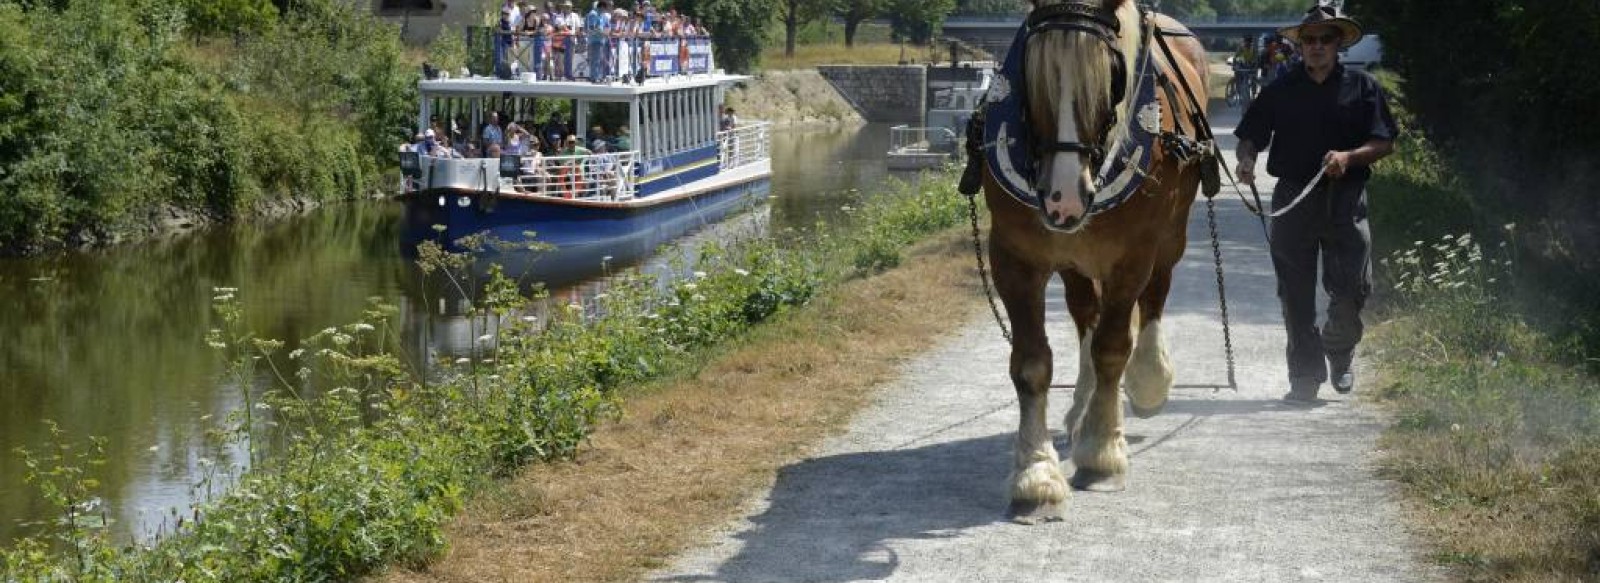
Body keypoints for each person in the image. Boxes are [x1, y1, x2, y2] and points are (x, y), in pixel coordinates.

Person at [1234, 3, 1398, 404]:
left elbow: (1384, 142)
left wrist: (1349, 157)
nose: (1317, 46)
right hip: (1293, 198)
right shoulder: (1280, 88)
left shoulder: (1363, 88)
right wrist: (1246, 158)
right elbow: (1251, 133)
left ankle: (1339, 355)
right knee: (1295, 294)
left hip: (1346, 199)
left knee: (1353, 289)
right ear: (1300, 46)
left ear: (1339, 43)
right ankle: (1305, 377)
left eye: (1326, 39)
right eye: (1309, 40)